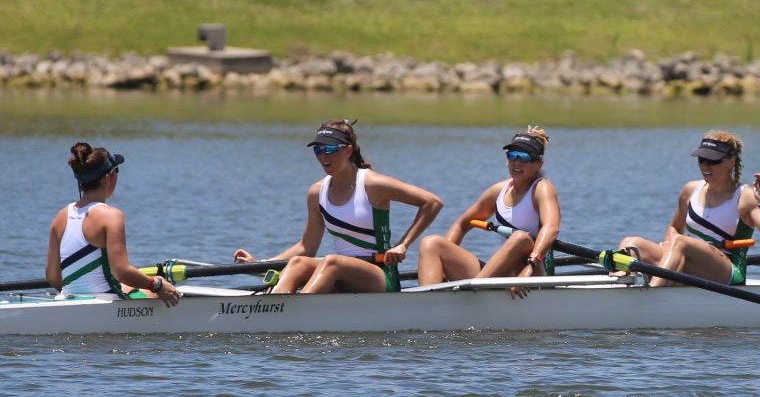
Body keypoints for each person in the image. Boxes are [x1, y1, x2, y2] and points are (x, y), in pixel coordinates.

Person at [234, 120, 442, 295]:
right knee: (298, 263)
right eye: (318, 149)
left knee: (332, 262)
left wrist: (402, 245)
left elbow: (432, 202)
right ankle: (275, 312)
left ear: (348, 150)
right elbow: (307, 247)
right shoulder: (317, 192)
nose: (323, 156)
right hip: (338, 271)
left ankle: (295, 315)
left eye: (330, 149)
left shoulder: (372, 184)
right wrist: (259, 264)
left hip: (379, 274)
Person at [617, 131, 760, 286]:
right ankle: (620, 289)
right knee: (631, 244)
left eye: (713, 161)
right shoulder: (690, 190)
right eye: (701, 159)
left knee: (680, 242)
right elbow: (674, 227)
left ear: (731, 161)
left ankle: (651, 299)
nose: (705, 166)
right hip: (690, 262)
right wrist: (670, 240)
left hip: (729, 271)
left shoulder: (746, 197)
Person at [416, 126, 562, 288]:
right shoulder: (498, 191)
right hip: (502, 273)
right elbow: (462, 224)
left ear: (538, 164)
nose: (517, 162)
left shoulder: (542, 188)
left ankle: (476, 290)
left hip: (532, 270)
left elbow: (551, 228)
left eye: (525, 157)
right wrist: (444, 266)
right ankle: (430, 303)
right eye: (513, 155)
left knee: (520, 238)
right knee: (431, 243)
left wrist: (530, 265)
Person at [45, 142, 180, 305]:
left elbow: (52, 276)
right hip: (106, 301)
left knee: (128, 286)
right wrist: (157, 285)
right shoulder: (111, 216)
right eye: (116, 171)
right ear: (107, 178)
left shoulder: (61, 216)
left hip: (66, 299)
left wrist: (78, 295)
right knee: (159, 284)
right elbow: (121, 271)